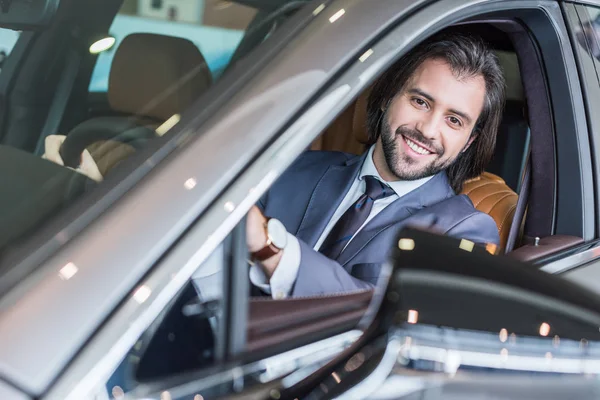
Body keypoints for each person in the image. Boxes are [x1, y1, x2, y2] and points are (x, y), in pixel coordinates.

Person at [246, 32, 506, 298]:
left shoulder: (466, 232)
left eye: (454, 120)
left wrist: (268, 247)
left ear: (468, 141)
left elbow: (389, 313)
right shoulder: (292, 169)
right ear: (386, 97)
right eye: (420, 102)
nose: (428, 130)